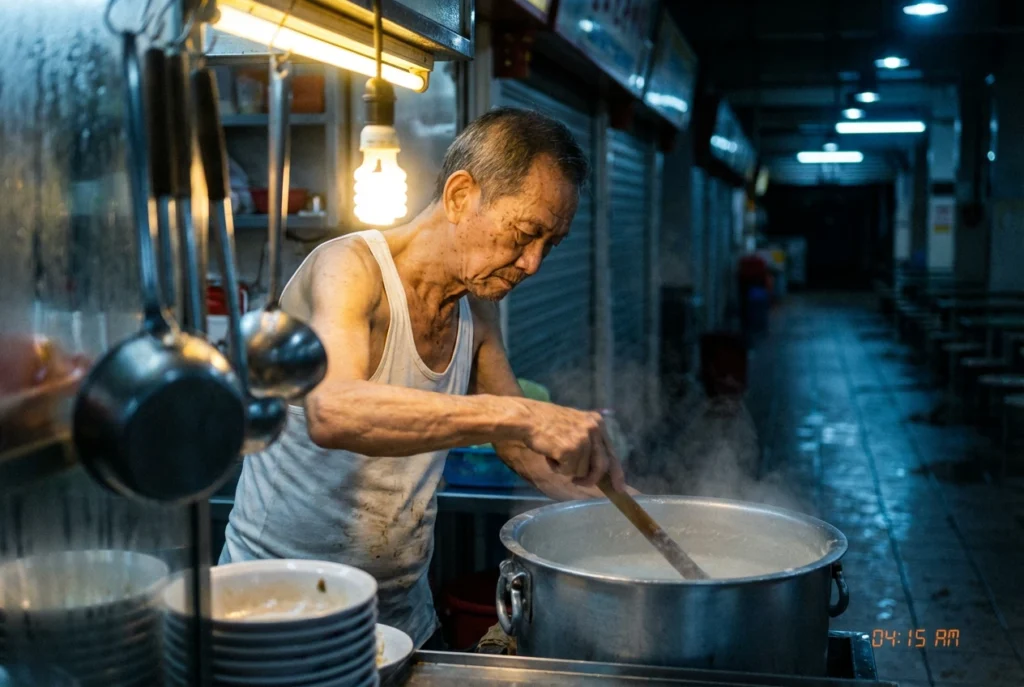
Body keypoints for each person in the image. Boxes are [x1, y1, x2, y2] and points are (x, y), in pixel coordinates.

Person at [221, 107, 628, 649]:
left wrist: (619, 503)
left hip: (399, 620)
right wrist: (524, 414)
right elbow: (333, 410)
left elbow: (518, 447)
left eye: (549, 245)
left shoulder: (478, 312)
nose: (532, 264)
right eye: (525, 234)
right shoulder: (350, 268)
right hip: (276, 613)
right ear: (461, 196)